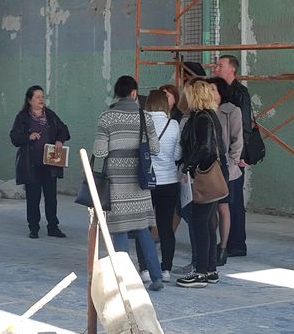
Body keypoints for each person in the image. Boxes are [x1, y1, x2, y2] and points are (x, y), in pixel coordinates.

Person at [92, 75, 163, 291]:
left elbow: (99, 151)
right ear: (134, 93)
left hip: (117, 182)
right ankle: (157, 277)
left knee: (119, 229)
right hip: (140, 181)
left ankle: (124, 280)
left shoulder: (107, 117)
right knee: (143, 229)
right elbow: (155, 149)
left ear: (117, 93)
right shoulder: (145, 117)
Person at [176, 79, 227, 288]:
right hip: (213, 173)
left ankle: (201, 272)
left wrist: (188, 166)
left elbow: (204, 147)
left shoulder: (201, 117)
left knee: (199, 223)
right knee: (207, 223)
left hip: (204, 175)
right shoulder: (210, 115)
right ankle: (211, 269)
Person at [10, 86, 70, 239]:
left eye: (42, 96)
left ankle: (53, 227)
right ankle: (34, 227)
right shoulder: (23, 117)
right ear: (29, 100)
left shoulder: (50, 115)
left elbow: (64, 130)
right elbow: (14, 137)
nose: (41, 99)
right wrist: (28, 137)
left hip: (50, 164)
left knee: (51, 198)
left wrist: (59, 140)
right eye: (37, 97)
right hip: (31, 164)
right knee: (33, 198)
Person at [213, 54, 253, 257]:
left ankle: (236, 244)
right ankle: (224, 241)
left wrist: (241, 156)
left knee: (233, 201)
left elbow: (244, 126)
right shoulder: (219, 90)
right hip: (221, 156)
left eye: (220, 65)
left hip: (234, 157)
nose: (215, 68)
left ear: (232, 70)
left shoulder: (240, 93)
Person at [145, 90, 183, 282]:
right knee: (166, 227)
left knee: (144, 227)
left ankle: (145, 269)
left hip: (147, 181)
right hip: (169, 181)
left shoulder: (142, 123)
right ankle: (166, 269)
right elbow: (177, 155)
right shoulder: (173, 124)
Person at [207, 77, 244, 267]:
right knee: (210, 208)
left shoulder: (232, 111)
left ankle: (223, 247)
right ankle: (211, 244)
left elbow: (237, 140)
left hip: (227, 168)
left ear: (221, 92)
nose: (210, 93)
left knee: (223, 207)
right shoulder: (204, 112)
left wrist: (231, 162)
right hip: (208, 168)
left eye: (213, 89)